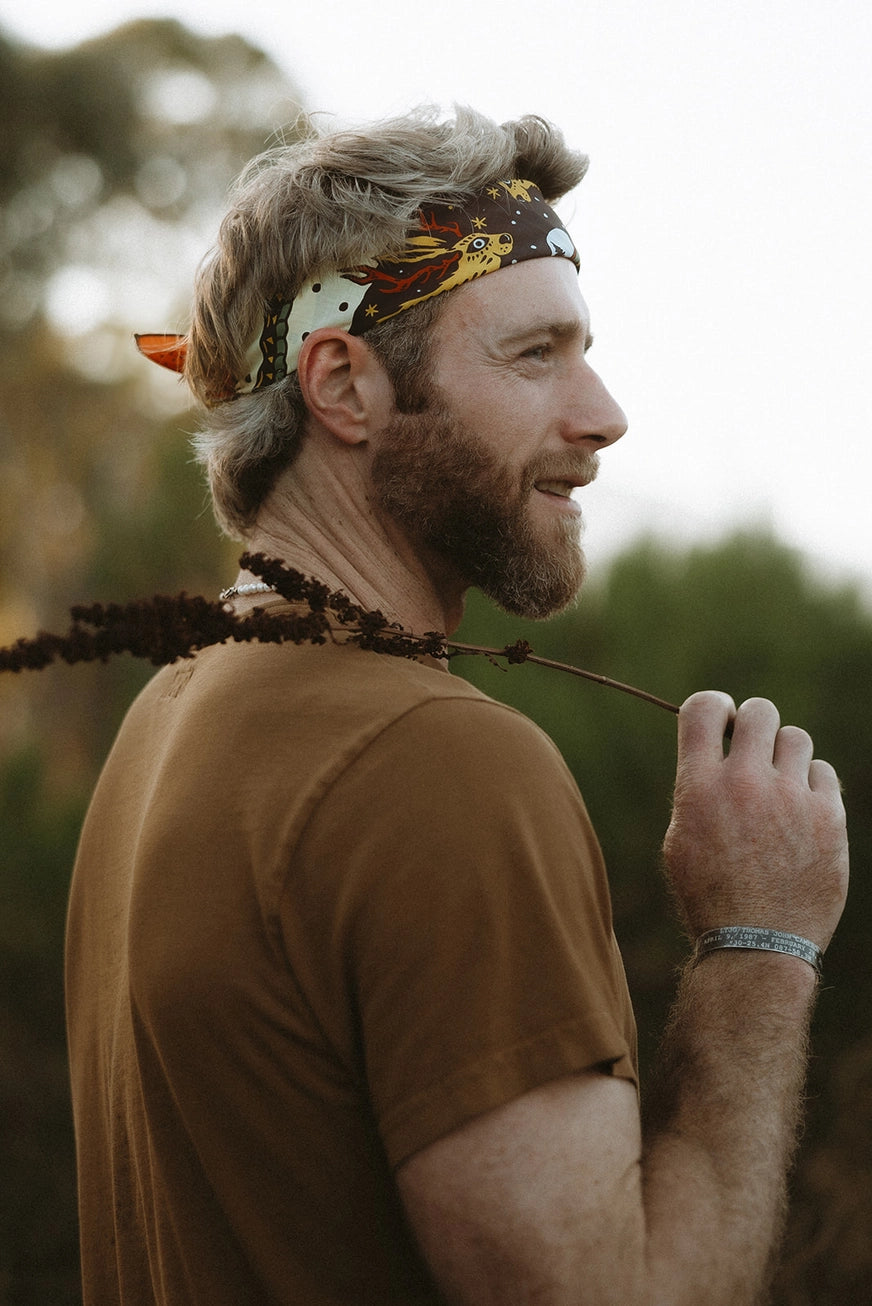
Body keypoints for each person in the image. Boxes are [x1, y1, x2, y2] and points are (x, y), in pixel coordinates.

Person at [65, 106, 849, 1305]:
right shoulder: (436, 762)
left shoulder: (169, 719)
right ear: (342, 383)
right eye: (534, 356)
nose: (601, 416)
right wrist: (760, 946)